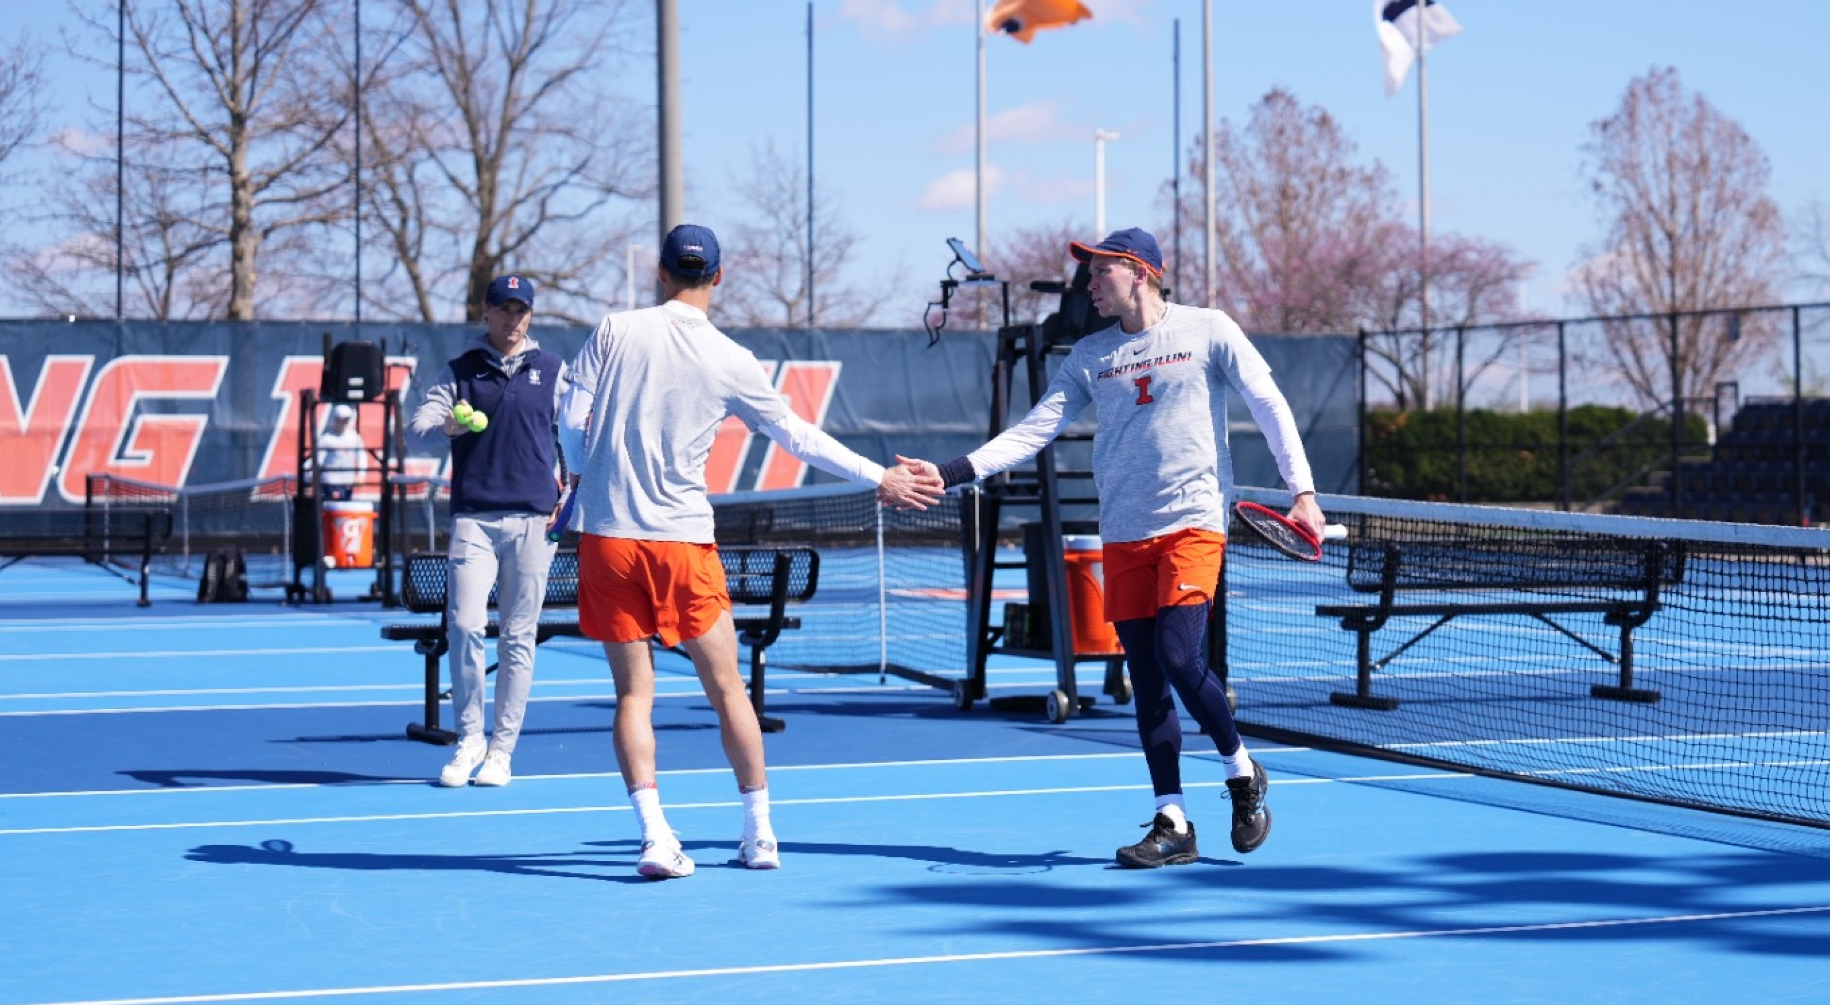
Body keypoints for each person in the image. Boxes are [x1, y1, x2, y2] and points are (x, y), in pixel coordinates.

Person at [906, 227, 1325, 869]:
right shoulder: (1089, 356)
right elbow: (1033, 431)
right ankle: (1173, 819)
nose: (1090, 285)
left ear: (1139, 272)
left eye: (1101, 273)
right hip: (1124, 532)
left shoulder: (1208, 329)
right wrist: (954, 471)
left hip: (1193, 522)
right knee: (1148, 679)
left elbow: (1268, 402)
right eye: (1089, 274)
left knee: (1180, 657)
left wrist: (1304, 491)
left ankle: (1241, 772)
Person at [559, 223, 944, 879]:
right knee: (730, 689)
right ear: (719, 276)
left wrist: (576, 475)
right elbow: (798, 437)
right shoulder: (732, 358)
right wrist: (880, 475)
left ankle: (655, 837)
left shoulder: (614, 330)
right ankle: (759, 832)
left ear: (660, 271)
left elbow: (570, 419)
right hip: (683, 541)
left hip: (610, 537)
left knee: (633, 695)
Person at [408, 274, 570, 789]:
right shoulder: (460, 371)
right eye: (504, 308)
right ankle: (469, 739)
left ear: (531, 315)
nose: (512, 318)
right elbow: (419, 424)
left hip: (533, 520)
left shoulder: (553, 370)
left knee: (519, 639)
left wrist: (570, 493)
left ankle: (502, 750)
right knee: (465, 626)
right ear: (486, 311)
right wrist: (449, 424)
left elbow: (576, 434)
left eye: (521, 310)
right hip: (474, 518)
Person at [314, 404, 367, 500]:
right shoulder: (326, 439)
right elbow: (318, 460)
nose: (344, 423)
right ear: (335, 420)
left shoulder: (354, 437)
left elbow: (361, 456)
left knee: (345, 508)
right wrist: (313, 477)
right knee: (332, 507)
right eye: (341, 420)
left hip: (347, 482)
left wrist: (361, 475)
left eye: (346, 420)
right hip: (330, 481)